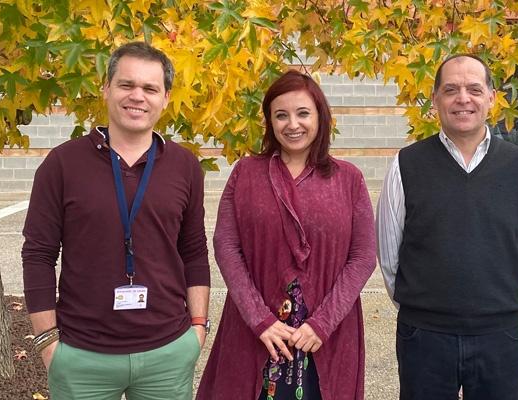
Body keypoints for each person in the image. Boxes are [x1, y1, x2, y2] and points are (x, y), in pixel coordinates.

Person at [22, 42, 211, 400]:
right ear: (106, 88)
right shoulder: (62, 164)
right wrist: (48, 342)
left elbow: (194, 250)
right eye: (126, 85)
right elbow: (38, 255)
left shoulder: (185, 166)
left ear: (165, 97)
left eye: (150, 88)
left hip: (167, 353)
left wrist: (198, 329)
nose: (137, 96)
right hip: (82, 357)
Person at [197, 70, 376, 400]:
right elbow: (226, 245)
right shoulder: (247, 173)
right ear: (270, 122)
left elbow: (363, 257)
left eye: (303, 113)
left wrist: (322, 323)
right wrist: (259, 320)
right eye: (281, 115)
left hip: (326, 333)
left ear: (320, 116)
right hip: (258, 331)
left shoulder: (347, 178)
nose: (292, 124)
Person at [377, 54, 518, 399]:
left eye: (474, 88)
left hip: (499, 333)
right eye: (451, 89)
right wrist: (423, 305)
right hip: (424, 335)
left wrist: (492, 296)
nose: (463, 98)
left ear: (492, 98)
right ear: (436, 99)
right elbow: (389, 253)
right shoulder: (406, 164)